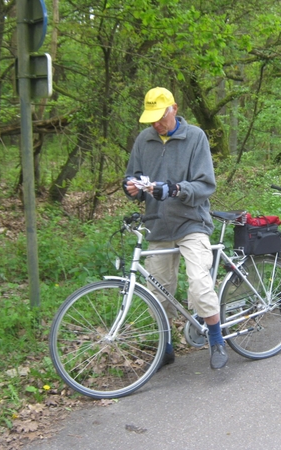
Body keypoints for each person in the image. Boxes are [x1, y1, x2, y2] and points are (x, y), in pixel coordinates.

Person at [122, 87, 228, 370]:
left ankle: (217, 340)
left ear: (174, 109)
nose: (157, 124)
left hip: (192, 223)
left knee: (199, 283)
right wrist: (130, 187)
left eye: (161, 117)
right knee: (158, 291)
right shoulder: (144, 140)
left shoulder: (195, 138)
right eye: (152, 119)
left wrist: (176, 189)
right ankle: (166, 348)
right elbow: (131, 175)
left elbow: (206, 184)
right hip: (157, 225)